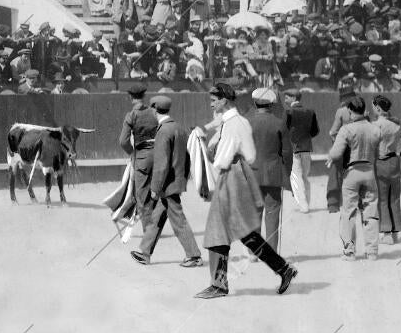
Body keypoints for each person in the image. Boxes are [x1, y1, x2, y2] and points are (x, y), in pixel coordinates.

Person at [194, 83, 298, 299]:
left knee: (217, 230)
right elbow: (246, 151)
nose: (211, 102)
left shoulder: (235, 123)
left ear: (224, 100)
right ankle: (283, 269)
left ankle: (219, 284)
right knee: (243, 232)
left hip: (229, 176)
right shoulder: (233, 120)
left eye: (214, 99)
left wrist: (206, 152)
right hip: (238, 175)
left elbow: (222, 159)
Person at [130, 95, 203, 267]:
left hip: (166, 185)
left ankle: (194, 256)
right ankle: (144, 253)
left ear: (155, 109)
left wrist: (155, 188)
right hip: (175, 181)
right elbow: (186, 158)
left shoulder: (163, 131)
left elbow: (161, 165)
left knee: (178, 219)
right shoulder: (179, 127)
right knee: (156, 217)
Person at [325, 96, 381, 261]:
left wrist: (330, 156)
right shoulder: (375, 129)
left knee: (349, 212)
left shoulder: (347, 129)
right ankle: (372, 251)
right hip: (369, 171)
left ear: (349, 111)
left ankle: (349, 251)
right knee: (371, 211)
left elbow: (335, 153)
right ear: (364, 111)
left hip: (351, 172)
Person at [246, 88, 292, 253]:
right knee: (273, 213)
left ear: (254, 103)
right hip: (273, 173)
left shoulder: (246, 122)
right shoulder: (279, 123)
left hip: (252, 173)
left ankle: (253, 252)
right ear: (272, 104)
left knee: (253, 212)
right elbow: (286, 152)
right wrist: (287, 173)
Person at [372, 95, 401, 245]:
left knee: (383, 199)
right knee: (395, 198)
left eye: (374, 106)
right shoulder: (397, 124)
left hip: (380, 163)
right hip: (394, 161)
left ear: (378, 108)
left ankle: (386, 234)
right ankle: (395, 233)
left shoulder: (375, 126)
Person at [118, 82, 159, 232]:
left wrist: (132, 153)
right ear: (144, 96)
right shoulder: (154, 113)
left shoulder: (132, 115)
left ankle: (149, 231)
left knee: (142, 195)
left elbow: (123, 141)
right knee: (157, 192)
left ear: (130, 97)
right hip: (159, 156)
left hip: (141, 157)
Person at [284, 88, 319, 213]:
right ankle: (306, 202)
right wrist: (305, 137)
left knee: (295, 176)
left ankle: (303, 205)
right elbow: (315, 131)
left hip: (293, 148)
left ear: (294, 98)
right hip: (306, 147)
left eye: (287, 96)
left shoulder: (288, 112)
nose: (285, 99)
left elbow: (284, 130)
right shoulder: (310, 111)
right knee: (305, 176)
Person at [327, 77, 356, 212]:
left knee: (335, 172)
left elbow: (333, 132)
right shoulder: (363, 110)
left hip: (344, 147)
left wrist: (336, 143)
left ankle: (333, 204)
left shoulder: (341, 111)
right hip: (358, 148)